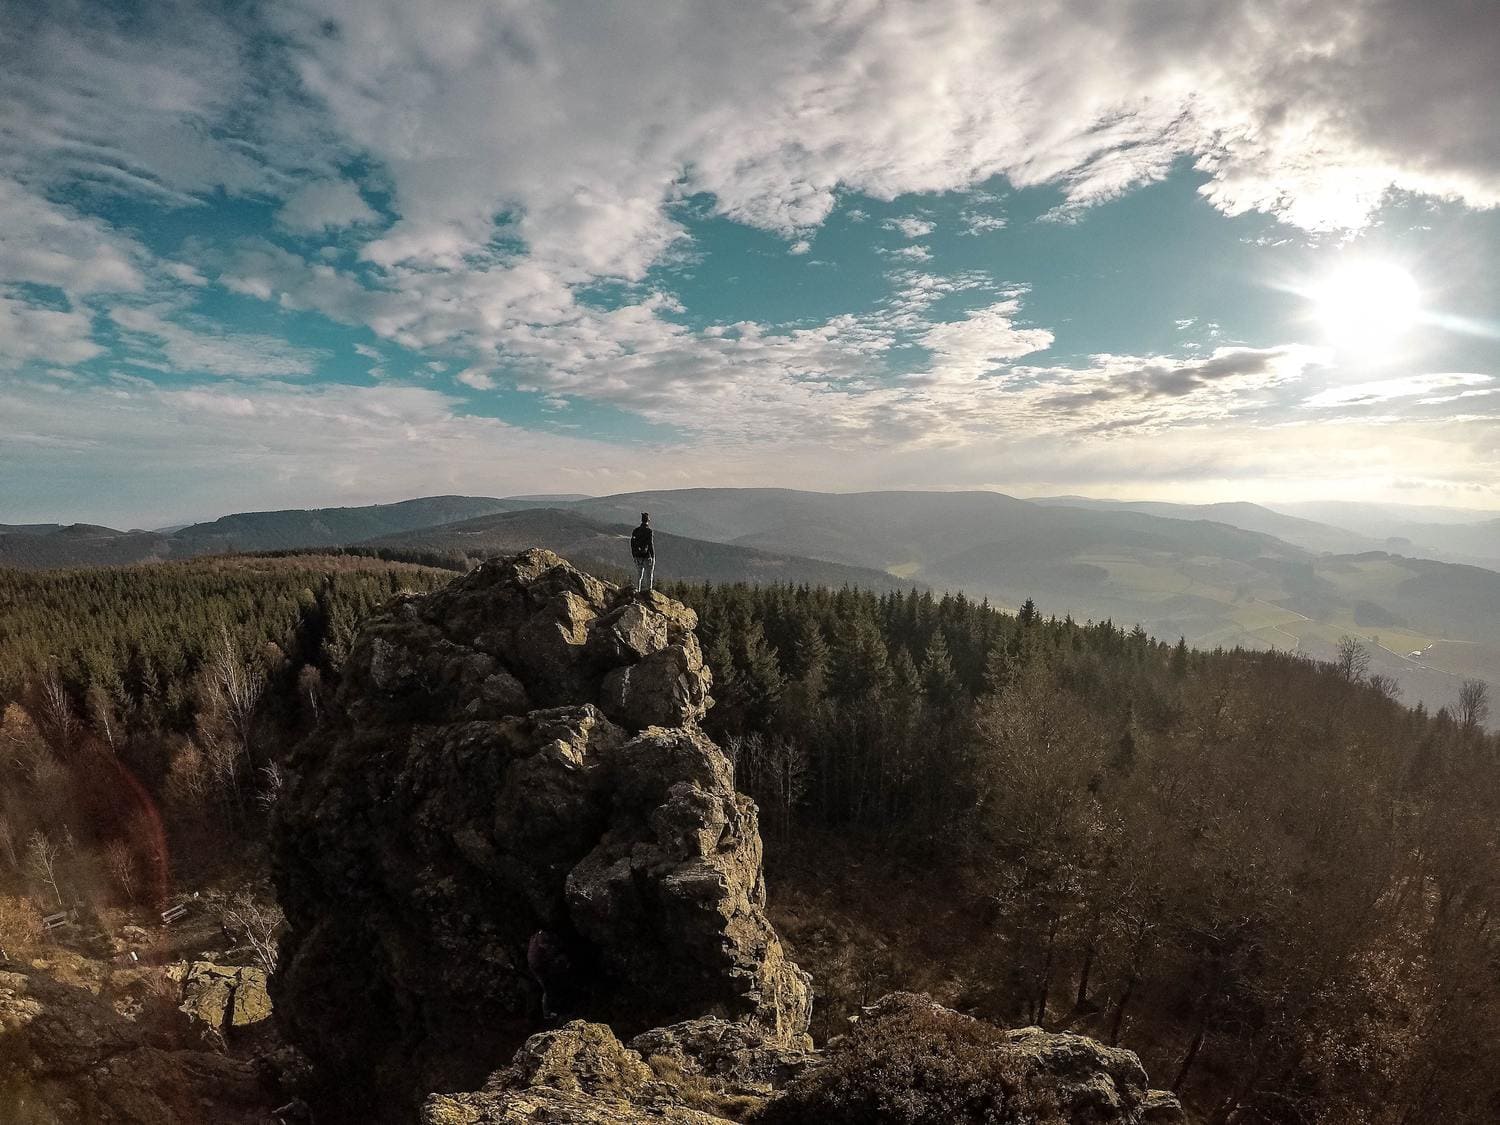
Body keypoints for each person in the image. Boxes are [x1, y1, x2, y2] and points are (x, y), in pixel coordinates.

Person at [630, 512, 655, 594]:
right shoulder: (649, 531)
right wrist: (653, 556)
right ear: (648, 520)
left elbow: (632, 544)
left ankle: (637, 593)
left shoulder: (635, 531)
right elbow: (650, 544)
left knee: (639, 576)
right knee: (649, 576)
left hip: (637, 556)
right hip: (647, 556)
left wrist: (634, 556)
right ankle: (649, 593)